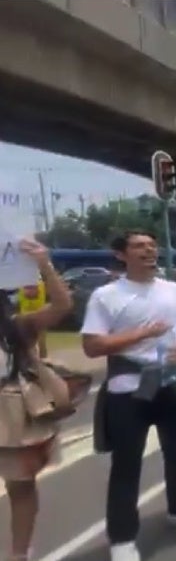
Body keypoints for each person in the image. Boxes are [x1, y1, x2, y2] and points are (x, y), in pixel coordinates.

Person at [81, 231, 176, 561]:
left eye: (153, 245)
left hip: (170, 385)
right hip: (129, 391)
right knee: (127, 465)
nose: (149, 250)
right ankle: (122, 539)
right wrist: (144, 333)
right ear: (121, 254)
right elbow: (92, 345)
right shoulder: (105, 296)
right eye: (139, 246)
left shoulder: (173, 290)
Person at [1, 239, 74, 561]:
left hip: (12, 414)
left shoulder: (17, 327)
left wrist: (44, 263)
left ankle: (19, 554)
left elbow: (61, 306)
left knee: (20, 487)